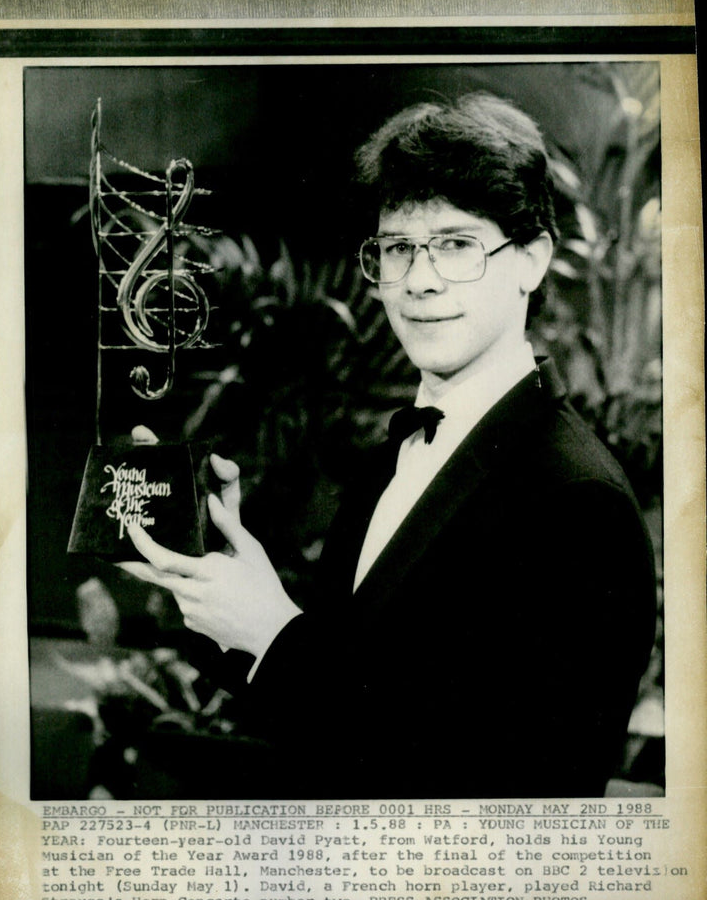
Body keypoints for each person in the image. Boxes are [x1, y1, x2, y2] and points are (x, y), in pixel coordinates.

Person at [120, 93, 657, 798]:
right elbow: (337, 702)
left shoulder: (579, 499)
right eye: (398, 248)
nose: (420, 279)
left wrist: (279, 635)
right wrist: (214, 573)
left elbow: (511, 790)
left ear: (531, 260)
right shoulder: (392, 456)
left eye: (457, 244)